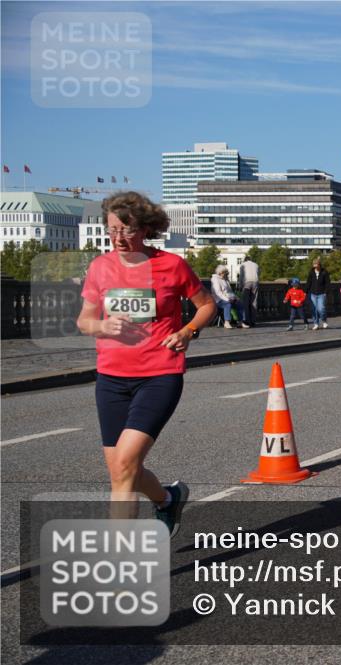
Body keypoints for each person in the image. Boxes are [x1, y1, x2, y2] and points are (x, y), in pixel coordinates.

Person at [76, 191, 216, 536]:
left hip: (159, 375)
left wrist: (187, 331)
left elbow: (206, 306)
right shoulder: (100, 267)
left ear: (145, 228)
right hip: (111, 378)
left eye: (127, 229)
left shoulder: (172, 265)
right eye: (112, 230)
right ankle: (168, 499)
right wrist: (102, 326)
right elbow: (84, 320)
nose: (119, 238)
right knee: (123, 470)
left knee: (125, 464)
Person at [305, 258, 330, 330]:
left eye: (316, 264)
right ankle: (316, 323)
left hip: (321, 293)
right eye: (314, 265)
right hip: (312, 293)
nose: (315, 266)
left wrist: (326, 292)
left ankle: (324, 320)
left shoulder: (324, 272)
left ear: (319, 265)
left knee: (321, 308)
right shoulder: (311, 272)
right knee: (314, 309)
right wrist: (305, 292)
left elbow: (327, 283)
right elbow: (308, 282)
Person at [237, 256, 260, 327]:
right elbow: (258, 274)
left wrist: (240, 286)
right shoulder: (256, 264)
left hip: (247, 282)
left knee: (245, 302)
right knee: (254, 302)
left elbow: (241, 276)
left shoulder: (243, 265)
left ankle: (246, 320)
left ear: (245, 260)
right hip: (255, 282)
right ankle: (253, 321)